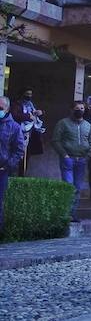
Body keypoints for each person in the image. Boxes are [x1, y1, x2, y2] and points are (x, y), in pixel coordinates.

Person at [53, 100, 91, 222]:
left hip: (81, 160)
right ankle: (65, 213)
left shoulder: (87, 125)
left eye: (82, 108)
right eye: (77, 108)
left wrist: (87, 156)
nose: (80, 110)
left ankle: (72, 213)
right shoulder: (63, 123)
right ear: (71, 109)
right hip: (68, 159)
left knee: (77, 187)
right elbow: (55, 140)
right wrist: (64, 155)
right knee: (68, 186)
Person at [0, 95, 26, 234]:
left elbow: (19, 149)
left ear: (7, 108)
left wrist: (8, 165)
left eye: (1, 107)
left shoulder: (14, 127)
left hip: (2, 170)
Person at [15, 90, 43, 176]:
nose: (29, 96)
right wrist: (28, 116)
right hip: (19, 132)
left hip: (30, 133)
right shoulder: (17, 104)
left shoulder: (31, 104)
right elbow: (15, 115)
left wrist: (40, 113)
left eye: (30, 94)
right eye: (27, 94)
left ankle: (21, 175)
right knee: (18, 154)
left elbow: (35, 115)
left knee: (26, 156)